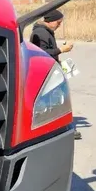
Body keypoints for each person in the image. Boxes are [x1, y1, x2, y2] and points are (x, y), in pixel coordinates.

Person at [29, 10, 82, 139]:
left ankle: (58, 129)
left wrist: (59, 61)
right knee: (56, 103)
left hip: (49, 70)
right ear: (51, 20)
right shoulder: (40, 33)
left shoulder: (44, 31)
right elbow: (43, 53)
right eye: (58, 22)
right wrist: (61, 50)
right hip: (45, 73)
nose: (59, 25)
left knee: (54, 103)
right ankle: (61, 130)